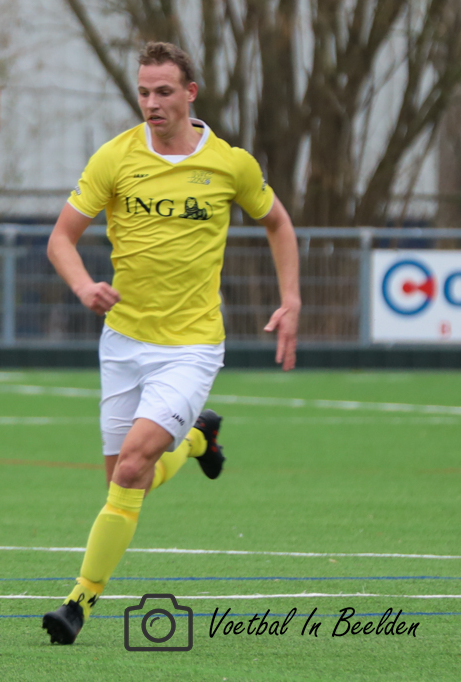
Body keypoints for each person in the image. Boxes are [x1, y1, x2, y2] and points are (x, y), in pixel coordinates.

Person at [41, 42, 300, 645]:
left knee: (133, 465)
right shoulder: (115, 158)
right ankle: (198, 438)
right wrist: (83, 286)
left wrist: (291, 300)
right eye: (144, 92)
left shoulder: (230, 164)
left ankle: (78, 602)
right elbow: (61, 238)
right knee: (125, 479)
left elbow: (278, 222)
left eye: (163, 91)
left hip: (192, 346)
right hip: (123, 343)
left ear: (190, 93)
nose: (152, 102)